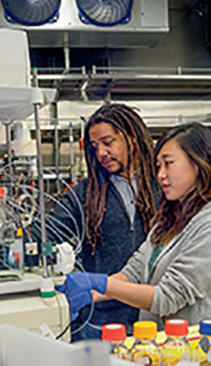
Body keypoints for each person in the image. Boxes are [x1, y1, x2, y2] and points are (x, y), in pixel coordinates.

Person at [58, 122, 211, 327]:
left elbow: (166, 299)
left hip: (191, 351)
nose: (160, 174)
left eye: (168, 163)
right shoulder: (171, 219)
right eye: (158, 166)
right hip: (158, 347)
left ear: (198, 163)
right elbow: (134, 273)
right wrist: (91, 293)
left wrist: (101, 283)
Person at [45, 103, 159, 339]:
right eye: (95, 146)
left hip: (155, 316)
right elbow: (46, 232)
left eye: (108, 142)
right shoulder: (86, 194)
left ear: (132, 137)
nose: (101, 154)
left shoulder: (164, 185)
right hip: (101, 323)